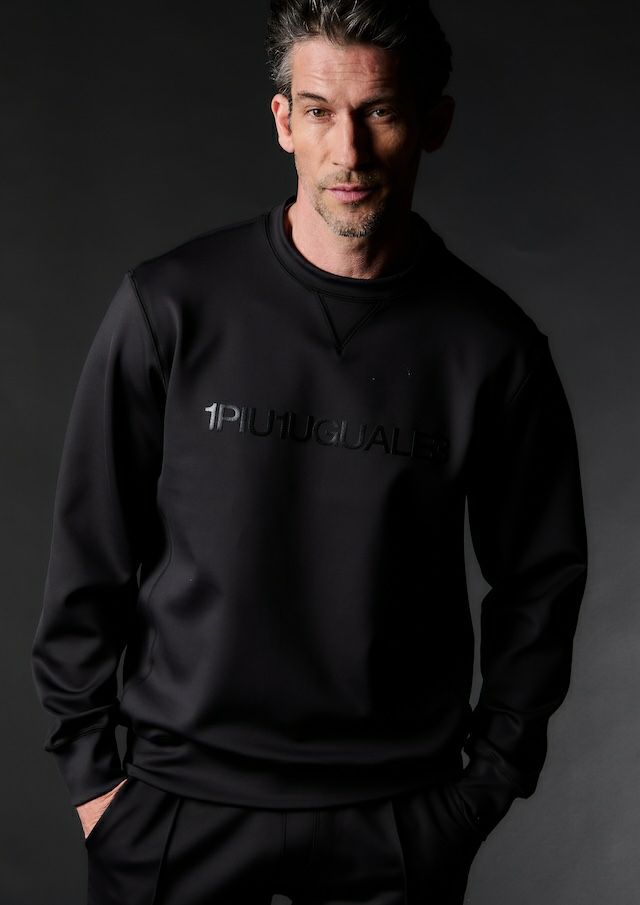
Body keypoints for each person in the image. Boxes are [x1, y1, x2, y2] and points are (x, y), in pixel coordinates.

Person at [30, 1, 588, 903]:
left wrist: (487, 784)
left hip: (395, 820)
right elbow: (89, 552)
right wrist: (93, 776)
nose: (349, 151)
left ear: (434, 123)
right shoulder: (168, 307)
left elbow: (542, 579)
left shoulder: (493, 348)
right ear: (284, 120)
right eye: (321, 111)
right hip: (177, 808)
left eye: (381, 111)